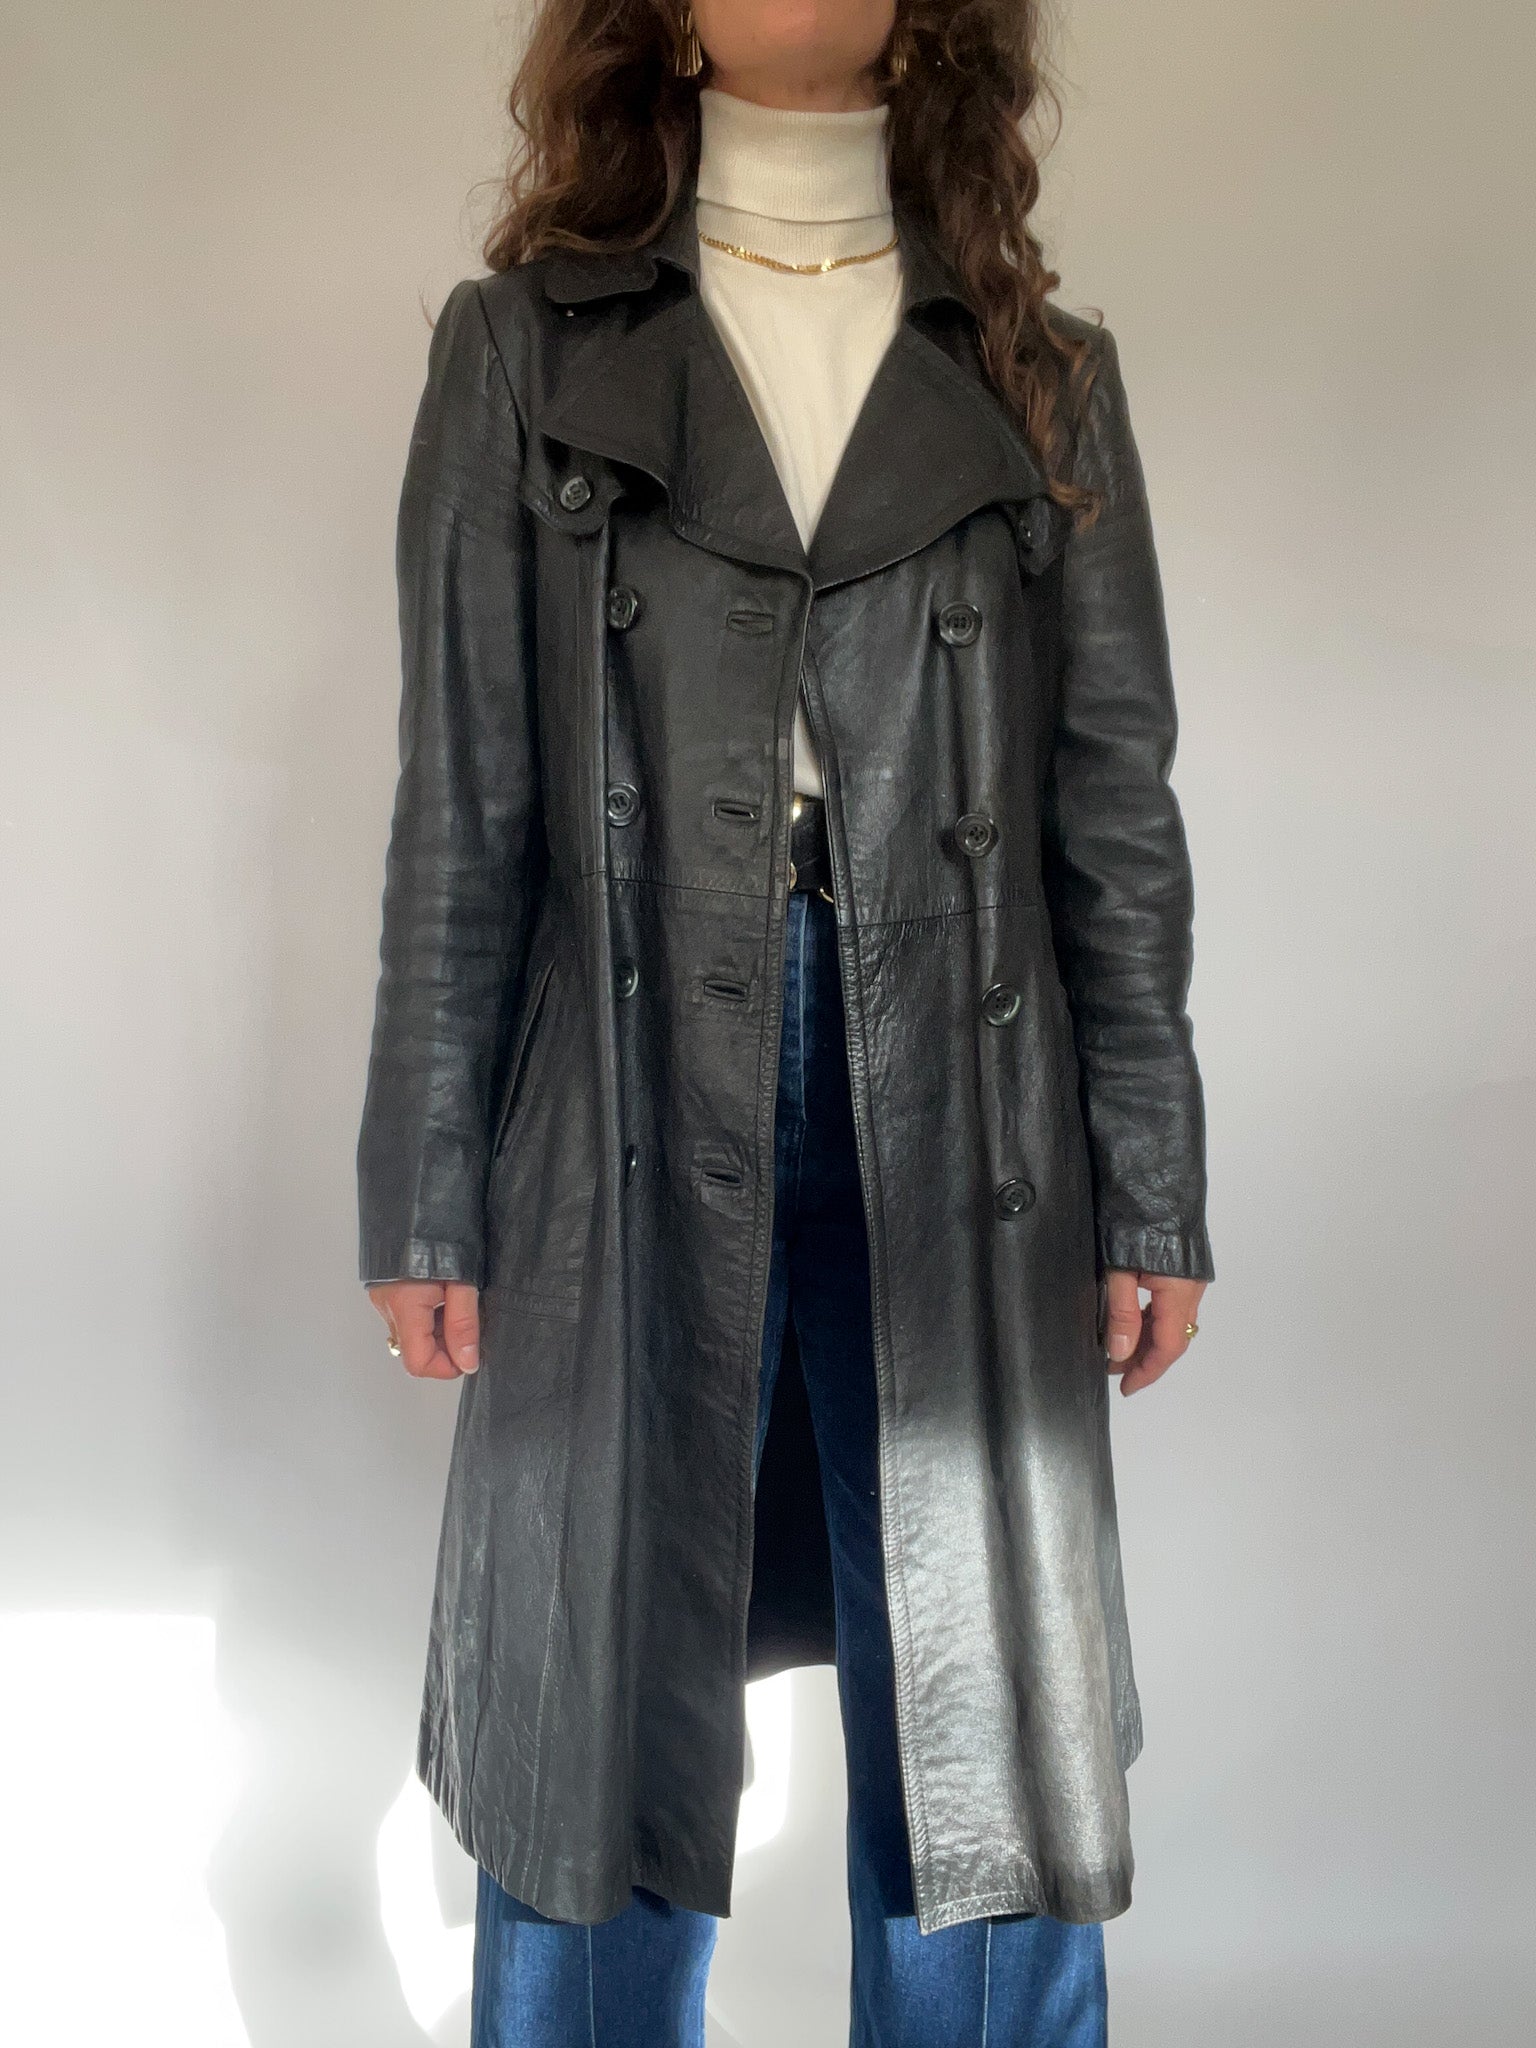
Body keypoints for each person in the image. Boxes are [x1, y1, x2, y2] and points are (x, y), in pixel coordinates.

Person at [356, 1, 1214, 2041]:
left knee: (985, 1701)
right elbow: (466, 800)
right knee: (595, 1687)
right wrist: (427, 1179)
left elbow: (1114, 807)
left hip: (974, 1092)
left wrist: (1153, 1179)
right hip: (626, 1082)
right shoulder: (522, 351)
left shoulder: (1043, 369)